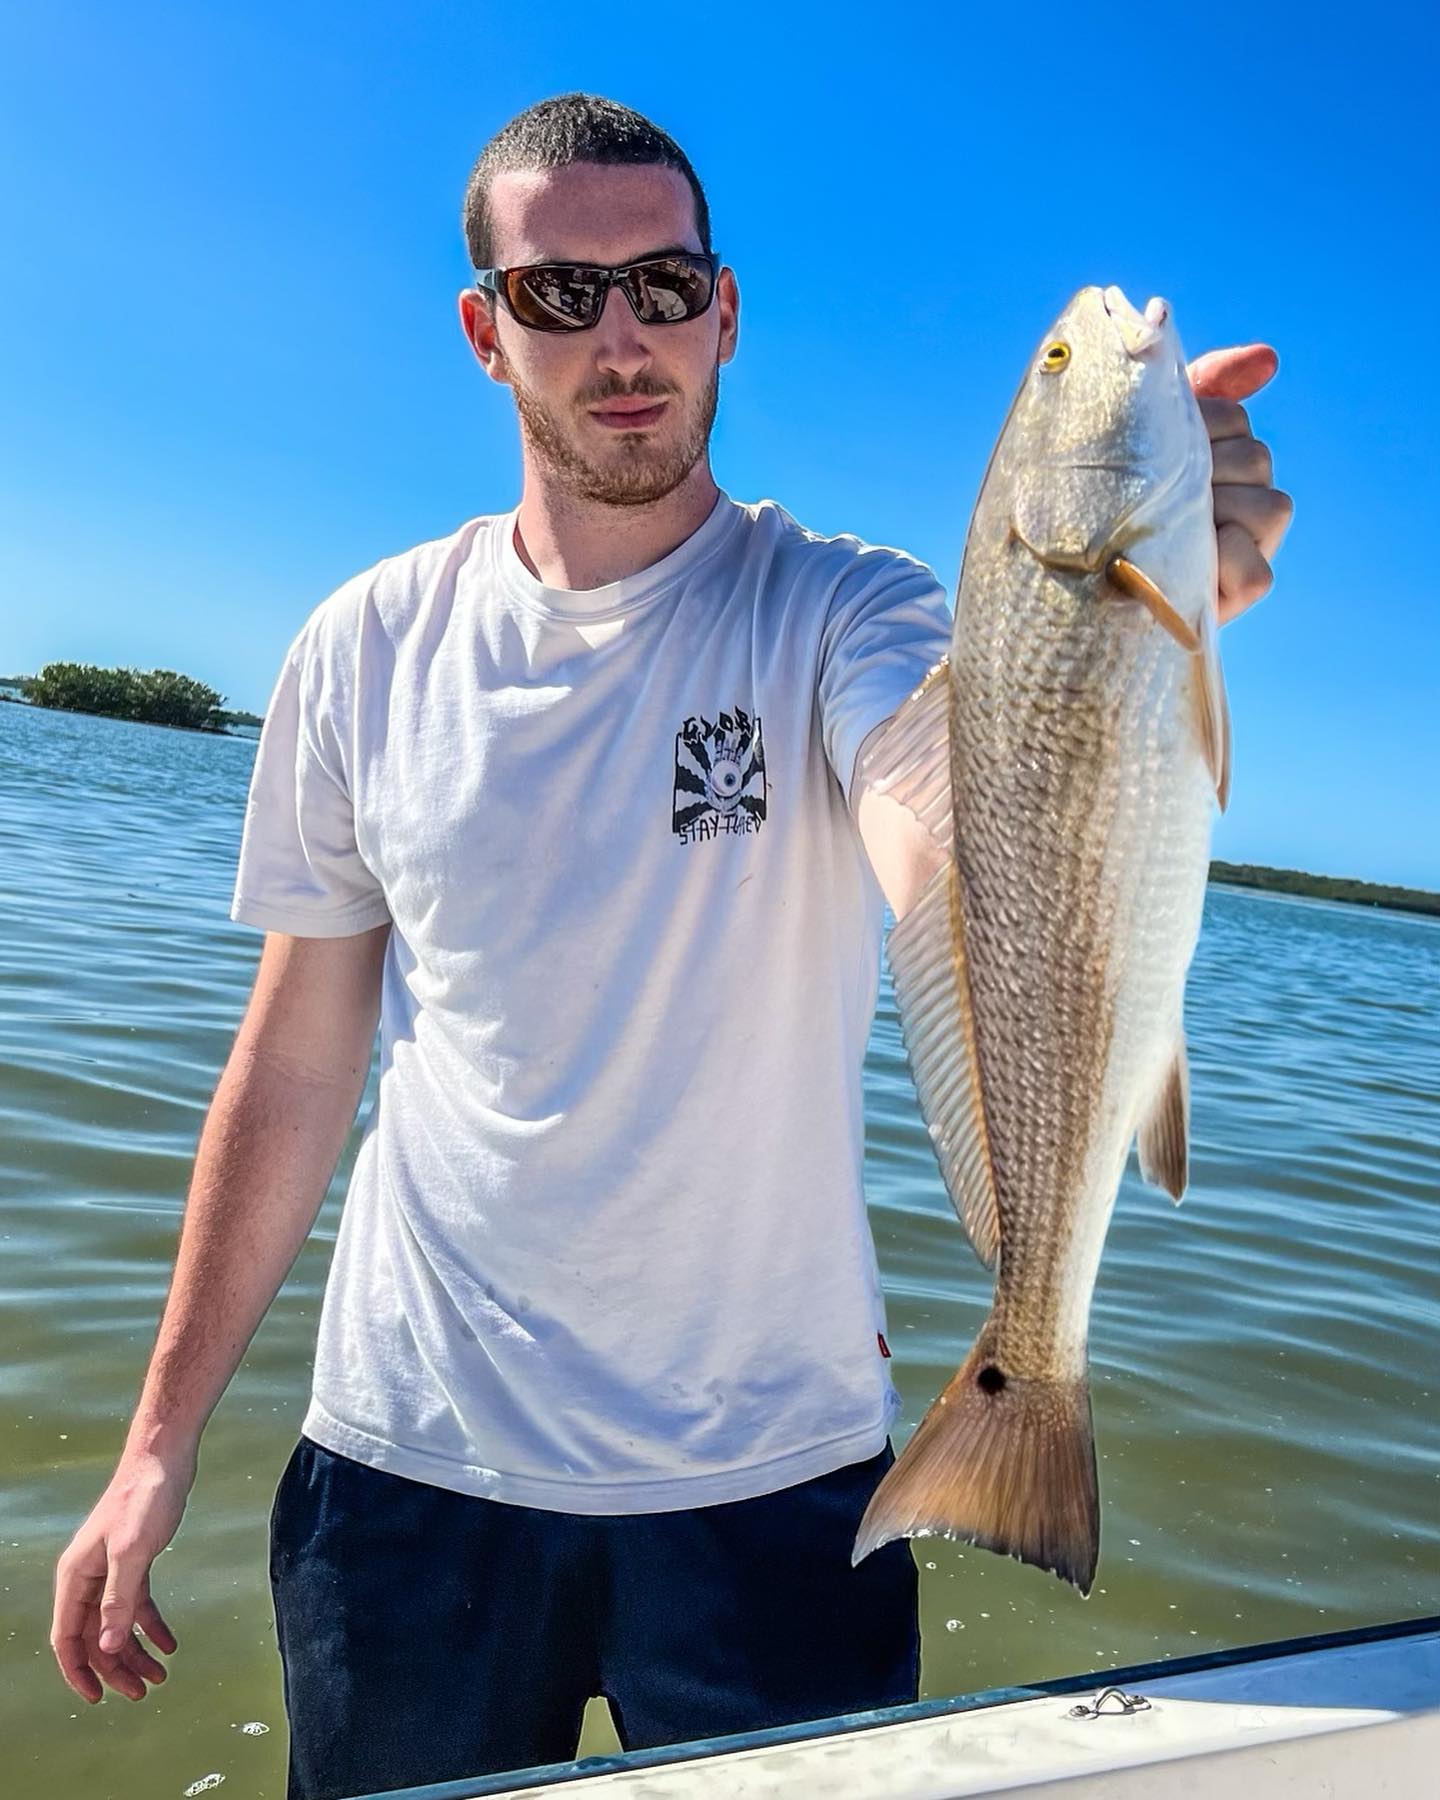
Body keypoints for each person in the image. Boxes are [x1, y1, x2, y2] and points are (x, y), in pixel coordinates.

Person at [49, 93, 1293, 1800]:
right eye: (563, 296)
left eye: (665, 284)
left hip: (770, 1484)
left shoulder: (846, 610)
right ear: (489, 333)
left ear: (725, 311)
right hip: (409, 1473)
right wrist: (151, 1445)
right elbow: (295, 1064)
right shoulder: (363, 644)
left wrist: (1110, 661)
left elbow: (946, 828)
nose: (621, 337)